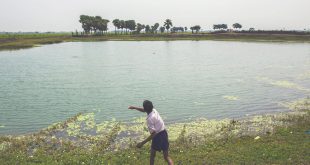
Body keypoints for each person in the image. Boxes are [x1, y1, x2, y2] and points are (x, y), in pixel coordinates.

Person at [128, 100, 174, 165]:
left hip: (157, 136)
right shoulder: (154, 110)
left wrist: (142, 143)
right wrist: (135, 108)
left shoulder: (150, 119)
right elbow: (144, 110)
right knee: (166, 157)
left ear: (146, 109)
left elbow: (153, 134)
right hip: (164, 133)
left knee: (152, 156)